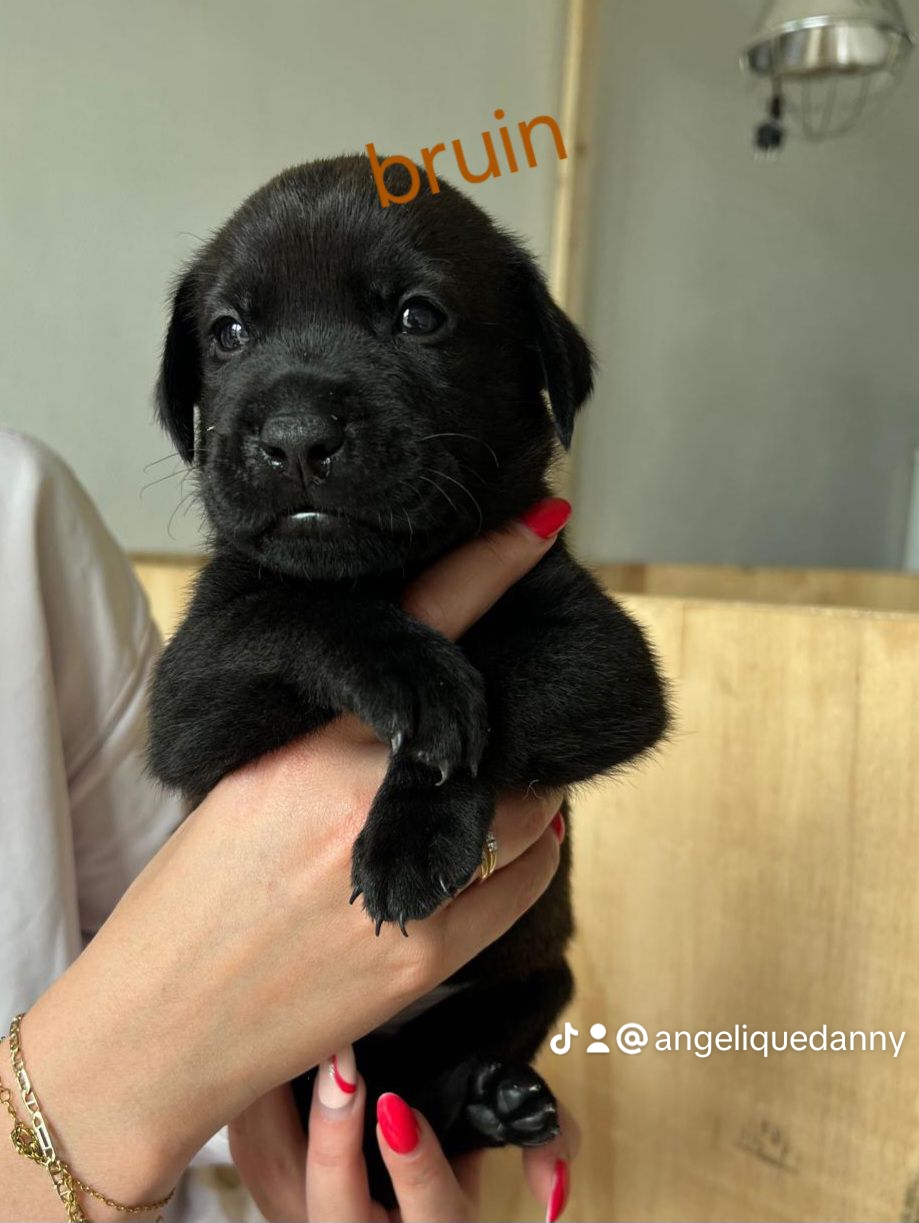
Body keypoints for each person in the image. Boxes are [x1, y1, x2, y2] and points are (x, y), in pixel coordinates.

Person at [0, 429, 576, 1223]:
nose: (298, 430)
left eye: (416, 320)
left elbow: (207, 921)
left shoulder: (15, 498)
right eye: (231, 334)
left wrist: (284, 1150)